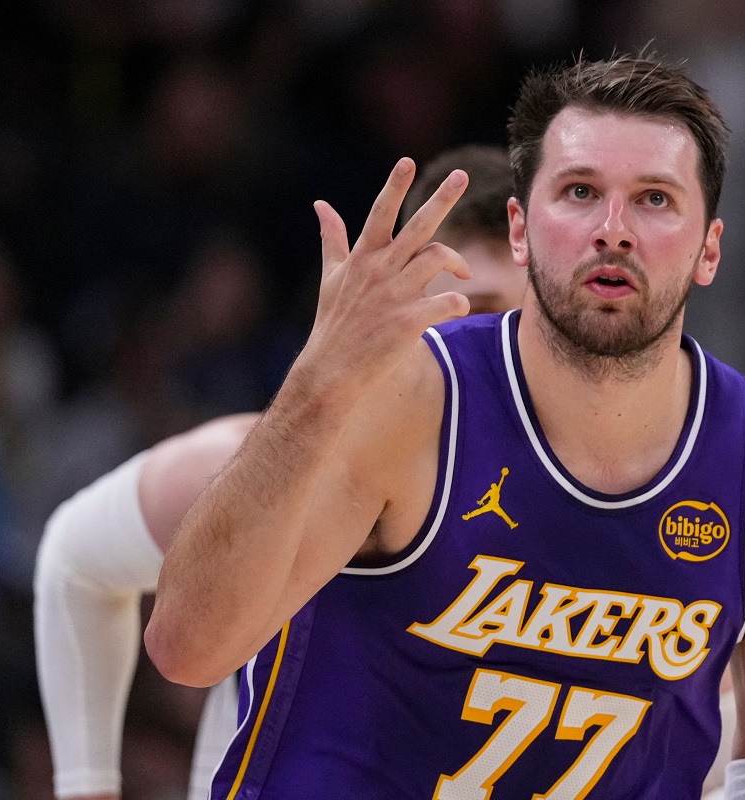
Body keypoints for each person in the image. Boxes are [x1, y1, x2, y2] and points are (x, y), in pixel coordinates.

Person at [145, 53, 745, 800]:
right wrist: (315, 385)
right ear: (519, 229)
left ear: (709, 248)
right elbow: (186, 649)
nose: (614, 230)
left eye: (654, 200)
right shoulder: (403, 397)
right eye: (580, 192)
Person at [33, 144, 525, 800]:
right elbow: (74, 559)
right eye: (455, 314)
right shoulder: (262, 476)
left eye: (503, 318)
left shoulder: (600, 501)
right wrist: (86, 784)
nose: (475, 343)